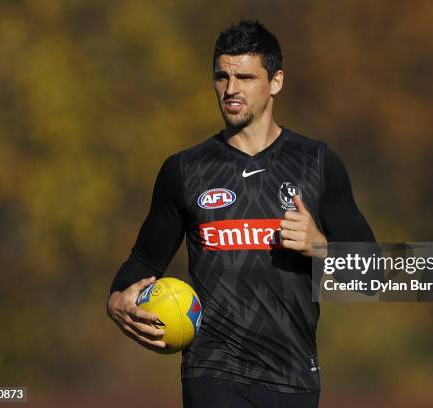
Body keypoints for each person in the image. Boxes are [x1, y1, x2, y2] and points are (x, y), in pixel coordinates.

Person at [107, 20, 376, 408]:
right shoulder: (184, 170)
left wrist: (320, 247)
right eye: (222, 77)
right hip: (212, 372)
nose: (231, 90)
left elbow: (372, 275)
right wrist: (116, 300)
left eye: (246, 77)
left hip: (293, 376)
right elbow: (143, 261)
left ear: (276, 82)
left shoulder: (318, 164)